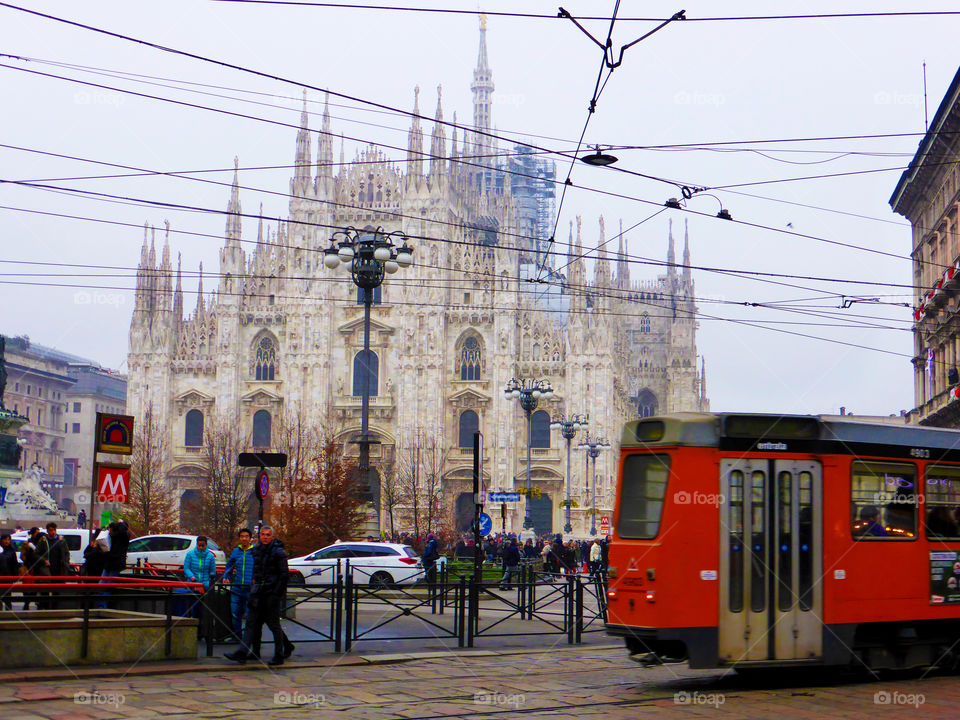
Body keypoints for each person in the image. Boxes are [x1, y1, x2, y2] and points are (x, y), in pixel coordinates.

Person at [224, 525, 294, 666]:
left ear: (272, 536)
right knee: (252, 622)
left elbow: (284, 575)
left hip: (271, 593)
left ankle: (279, 654)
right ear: (259, 536)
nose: (265, 537)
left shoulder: (278, 552)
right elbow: (256, 572)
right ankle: (247, 651)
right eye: (263, 534)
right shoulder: (257, 551)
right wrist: (254, 588)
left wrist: (276, 594)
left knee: (273, 624)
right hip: (258, 592)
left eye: (268, 534)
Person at [223, 528, 255, 638]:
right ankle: (236, 636)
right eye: (242, 536)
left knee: (249, 615)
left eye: (246, 536)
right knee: (235, 613)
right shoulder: (236, 551)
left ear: (251, 538)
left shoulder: (255, 551)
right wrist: (226, 576)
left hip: (250, 588)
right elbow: (230, 565)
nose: (244, 538)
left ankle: (248, 638)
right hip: (237, 587)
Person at [0, 533, 19, 610]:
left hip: (8, 577)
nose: (7, 541)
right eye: (5, 539)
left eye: (8, 539)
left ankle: (8, 612)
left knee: (8, 597)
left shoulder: (11, 551)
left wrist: (15, 576)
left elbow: (15, 564)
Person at [422, 532, 440, 598]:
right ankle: (432, 586)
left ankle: (430, 587)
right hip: (432, 561)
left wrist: (424, 557)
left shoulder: (430, 543)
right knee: (432, 575)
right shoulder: (434, 542)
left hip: (428, 561)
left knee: (428, 574)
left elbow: (428, 552)